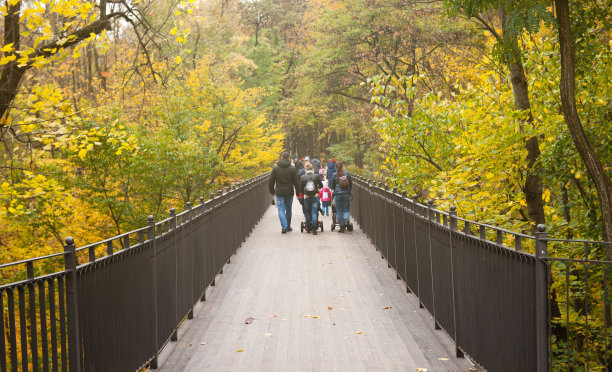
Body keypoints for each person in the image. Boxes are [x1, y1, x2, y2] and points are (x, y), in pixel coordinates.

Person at [269, 151, 300, 233]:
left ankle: (284, 227)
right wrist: (298, 193)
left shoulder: (276, 168)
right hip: (289, 192)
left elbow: (271, 181)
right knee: (288, 209)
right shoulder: (292, 168)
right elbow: (296, 182)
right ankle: (288, 226)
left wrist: (272, 191)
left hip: (279, 192)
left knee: (281, 209)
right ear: (289, 158)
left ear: (281, 158)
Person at [299, 162, 323, 235]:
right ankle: (314, 228)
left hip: (306, 197)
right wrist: (317, 188)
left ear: (305, 169)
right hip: (315, 197)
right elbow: (321, 185)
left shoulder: (303, 177)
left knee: (307, 212)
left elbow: (300, 189)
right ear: (312, 168)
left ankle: (308, 227)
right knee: (314, 212)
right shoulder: (316, 176)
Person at [330, 161, 352, 233]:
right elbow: (350, 184)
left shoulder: (334, 175)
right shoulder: (347, 174)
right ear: (342, 166)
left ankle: (342, 227)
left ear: (336, 167)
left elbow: (332, 186)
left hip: (337, 195)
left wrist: (335, 191)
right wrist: (349, 192)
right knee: (346, 209)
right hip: (346, 194)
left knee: (339, 211)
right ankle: (347, 220)